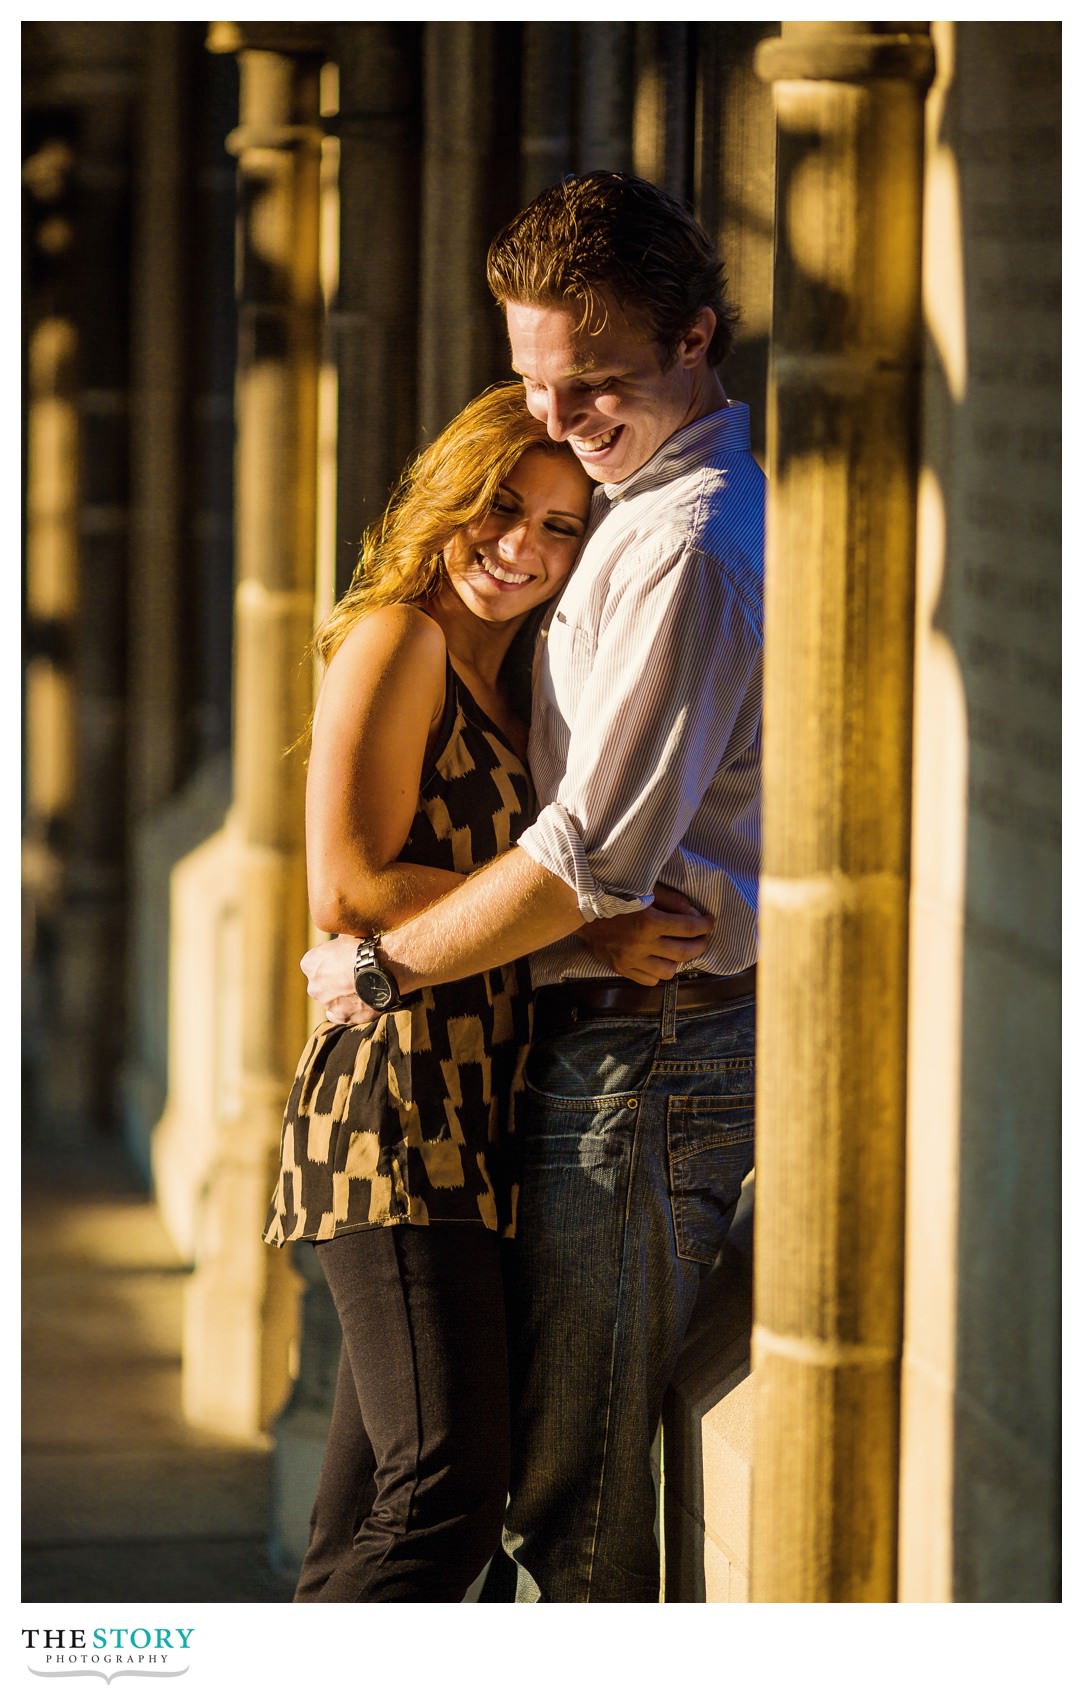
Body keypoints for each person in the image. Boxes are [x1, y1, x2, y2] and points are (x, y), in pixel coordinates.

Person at [301, 169, 765, 1603]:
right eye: (532, 388)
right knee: (448, 1495)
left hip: (636, 1063)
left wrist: (383, 970)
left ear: (696, 335)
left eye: (593, 384)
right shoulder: (616, 511)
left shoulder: (684, 543)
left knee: (547, 1511)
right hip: (510, 1063)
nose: (558, 424)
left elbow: (584, 857)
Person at [263, 383, 599, 1603]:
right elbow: (347, 887)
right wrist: (587, 917)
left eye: (561, 526)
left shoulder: (523, 681)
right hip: (394, 1113)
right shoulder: (398, 640)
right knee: (448, 1485)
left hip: (475, 1119)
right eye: (504, 508)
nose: (523, 547)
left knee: (370, 1513)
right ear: (448, 495)